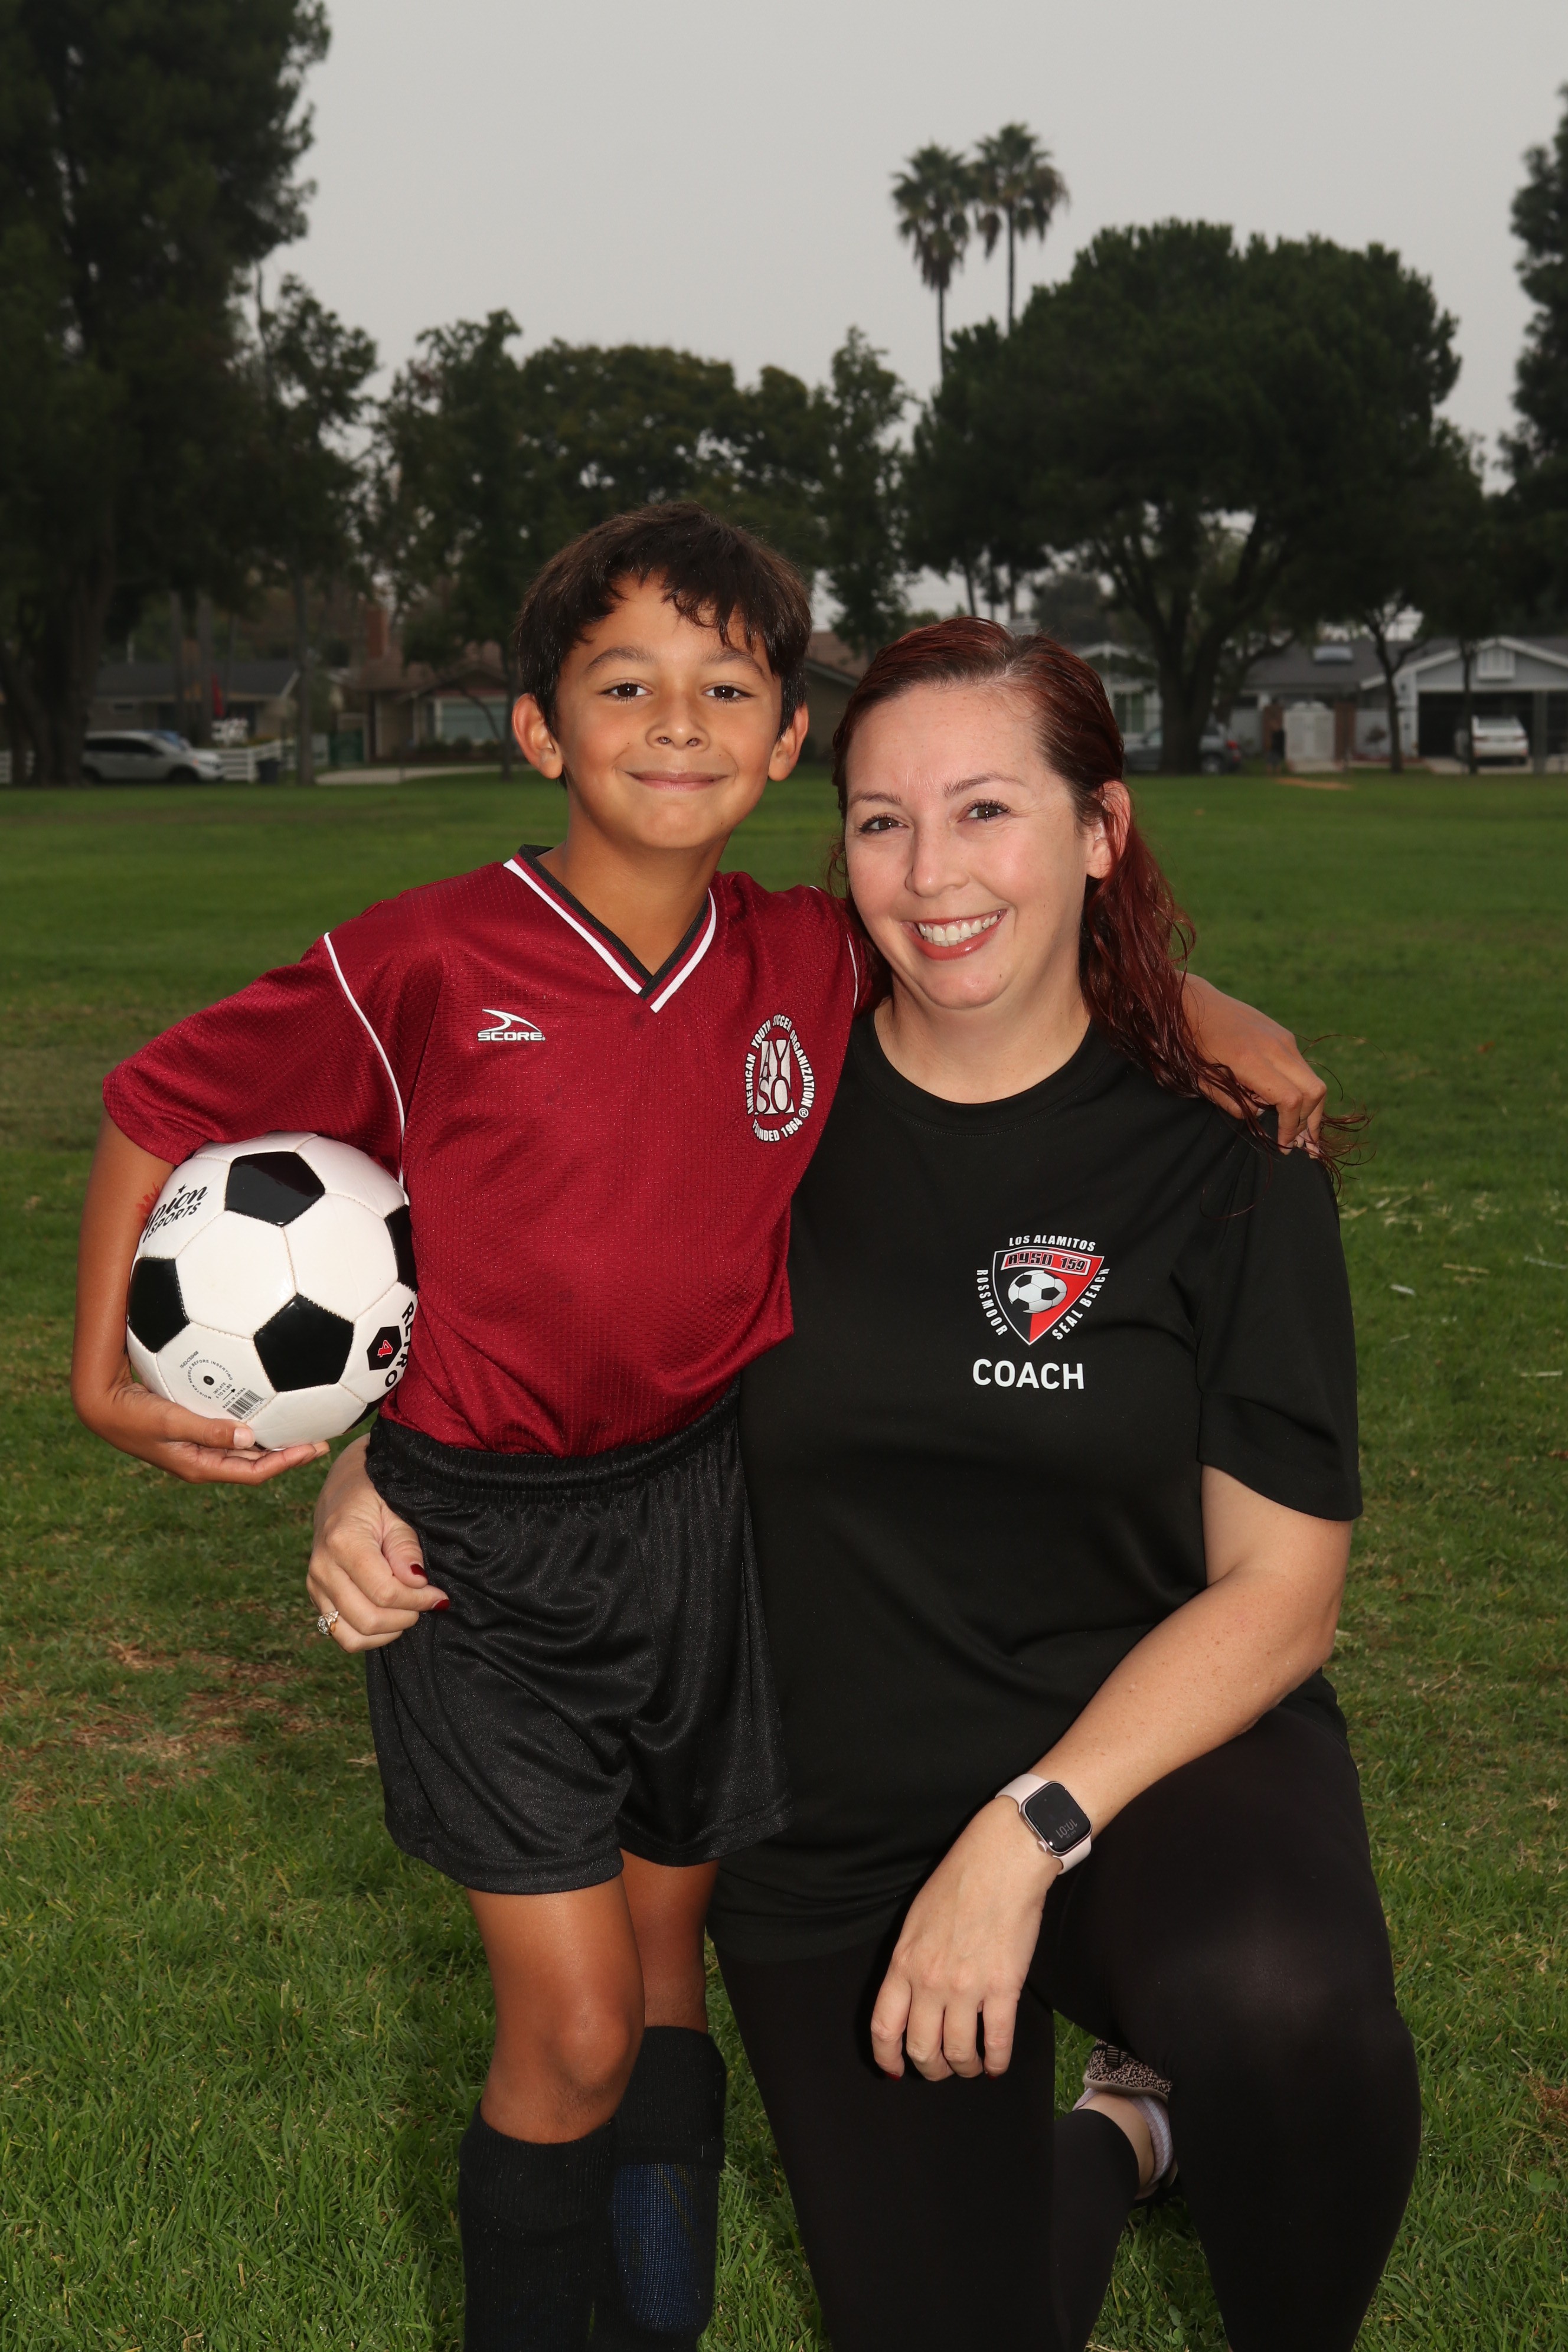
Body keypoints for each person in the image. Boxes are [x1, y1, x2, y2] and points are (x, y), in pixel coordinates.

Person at [76, 508, 1328, 2352]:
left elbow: (1017, 946)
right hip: (475, 1561)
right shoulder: (428, 959)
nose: (678, 723)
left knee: (666, 1978)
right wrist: (110, 1378)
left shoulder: (804, 952)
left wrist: (1215, 1008)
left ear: (786, 737)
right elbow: (161, 1097)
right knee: (577, 2021)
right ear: (536, 727)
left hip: (698, 1529)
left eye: (728, 689)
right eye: (625, 686)